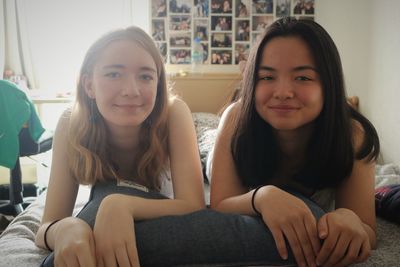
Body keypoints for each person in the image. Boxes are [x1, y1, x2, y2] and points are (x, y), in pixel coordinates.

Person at [210, 17, 379, 267]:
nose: (282, 92)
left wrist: (351, 222)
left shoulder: (352, 134)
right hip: (224, 149)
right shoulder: (236, 118)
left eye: (302, 78)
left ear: (328, 85)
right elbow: (220, 205)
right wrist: (261, 197)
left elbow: (367, 229)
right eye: (267, 77)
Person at [35, 26, 205, 266]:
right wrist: (65, 228)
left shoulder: (174, 112)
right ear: (89, 85)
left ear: (158, 84)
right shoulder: (70, 123)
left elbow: (194, 205)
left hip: (160, 210)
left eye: (145, 76)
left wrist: (121, 204)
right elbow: (46, 225)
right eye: (114, 74)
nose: (131, 91)